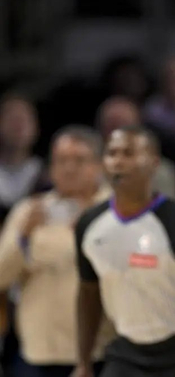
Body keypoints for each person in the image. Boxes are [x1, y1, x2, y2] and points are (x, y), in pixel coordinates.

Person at [72, 126, 175, 377]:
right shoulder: (90, 225)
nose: (118, 162)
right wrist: (83, 362)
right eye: (112, 153)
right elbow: (88, 292)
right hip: (127, 353)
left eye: (129, 154)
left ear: (153, 163)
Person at [0, 126, 113, 377]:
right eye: (61, 160)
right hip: (36, 353)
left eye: (79, 160)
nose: (69, 168)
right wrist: (23, 237)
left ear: (99, 166)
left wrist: (93, 232)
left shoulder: (115, 211)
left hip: (99, 352)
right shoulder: (28, 210)